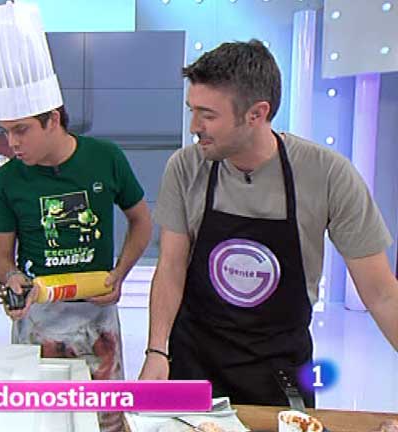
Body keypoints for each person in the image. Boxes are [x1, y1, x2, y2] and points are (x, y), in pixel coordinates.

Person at [138, 40, 398, 406]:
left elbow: (382, 294)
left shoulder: (327, 174)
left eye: (207, 115)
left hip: (280, 372)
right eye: (192, 110)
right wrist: (156, 350)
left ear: (256, 114)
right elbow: (171, 267)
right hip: (194, 362)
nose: (195, 127)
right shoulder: (185, 167)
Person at [0, 4, 152, 431]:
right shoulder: (8, 180)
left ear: (52, 119)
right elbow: (2, 258)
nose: (11, 143)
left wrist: (119, 274)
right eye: (6, 130)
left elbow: (142, 221)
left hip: (98, 321)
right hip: (39, 323)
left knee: (108, 422)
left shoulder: (105, 158)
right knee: (43, 422)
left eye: (21, 130)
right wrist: (11, 278)